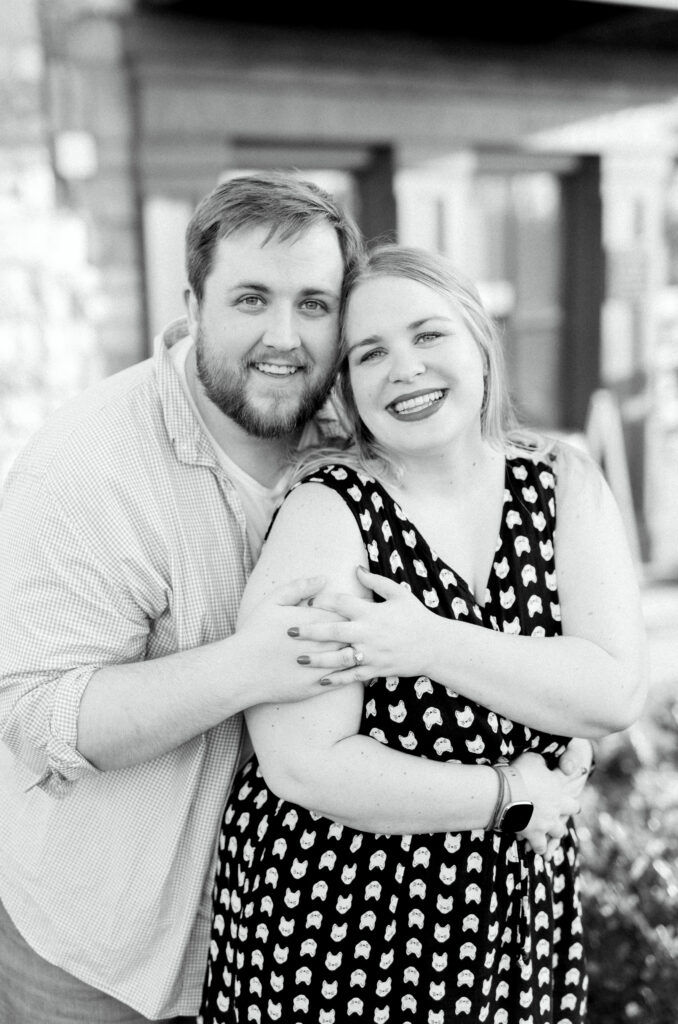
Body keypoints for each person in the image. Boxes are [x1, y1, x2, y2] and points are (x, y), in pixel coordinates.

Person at [198, 244, 647, 1024]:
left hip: (515, 913)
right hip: (344, 923)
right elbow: (305, 763)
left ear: (480, 343)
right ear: (346, 388)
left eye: (428, 335)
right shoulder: (328, 513)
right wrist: (508, 797)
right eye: (369, 353)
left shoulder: (563, 482)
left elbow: (612, 691)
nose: (403, 368)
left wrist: (426, 641)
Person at [0, 172, 367, 1023]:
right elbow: (42, 714)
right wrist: (250, 667)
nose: (286, 336)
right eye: (251, 299)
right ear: (193, 302)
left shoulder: (357, 441)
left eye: (315, 304)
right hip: (98, 960)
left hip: (284, 955)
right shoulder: (88, 463)